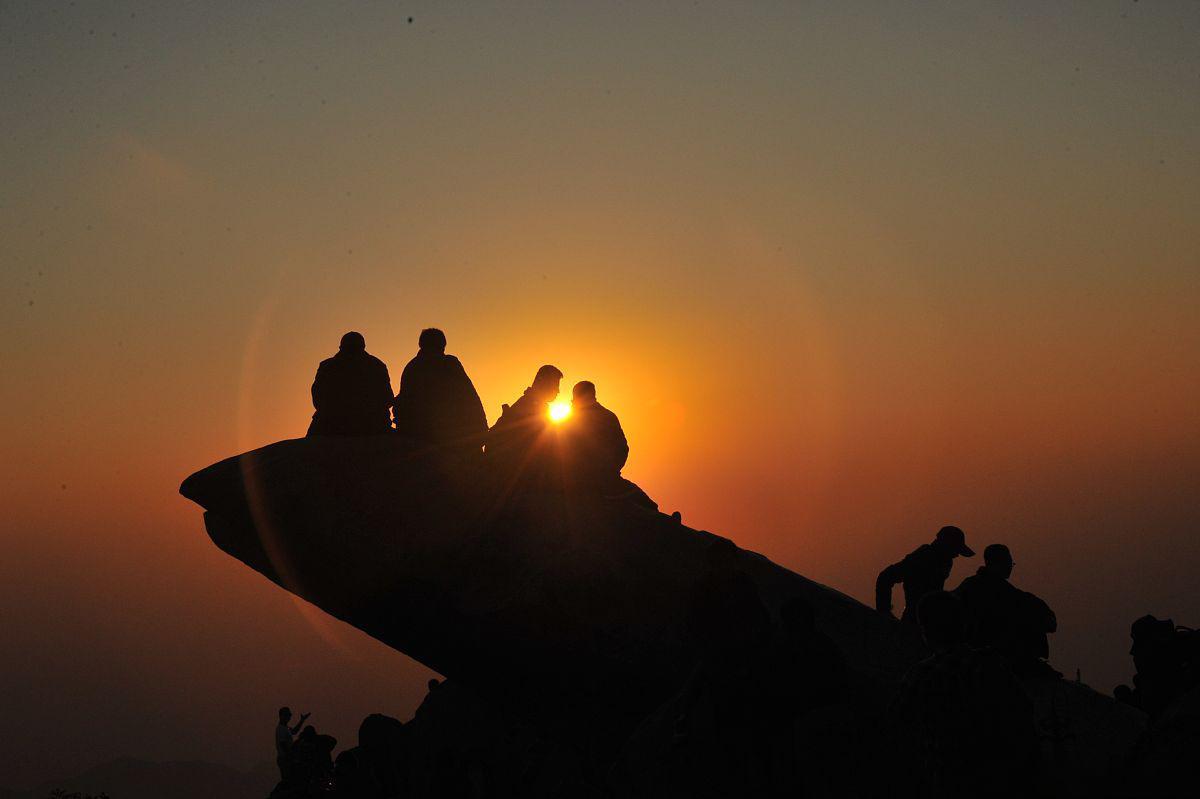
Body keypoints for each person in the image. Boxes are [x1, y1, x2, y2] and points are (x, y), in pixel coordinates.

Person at [891, 591, 1039, 797]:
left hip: (946, 781)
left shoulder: (919, 676)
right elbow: (1023, 713)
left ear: (925, 632)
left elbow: (897, 726)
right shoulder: (990, 667)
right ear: (963, 626)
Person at [954, 544, 1058, 674]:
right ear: (999, 563)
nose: (1010, 567)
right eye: (1009, 563)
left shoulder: (968, 586)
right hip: (996, 657)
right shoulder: (1009, 596)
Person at [392, 328, 488, 454]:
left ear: (421, 345)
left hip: (423, 435)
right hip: (451, 437)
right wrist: (480, 429)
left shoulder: (412, 367)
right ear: (442, 345)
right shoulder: (449, 364)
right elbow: (470, 397)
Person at [876, 525, 975, 622]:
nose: (956, 555)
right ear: (945, 545)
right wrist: (884, 612)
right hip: (914, 621)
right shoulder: (922, 557)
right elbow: (885, 577)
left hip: (930, 620)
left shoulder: (945, 561)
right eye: (955, 550)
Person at [306, 331, 394, 436]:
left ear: (341, 348)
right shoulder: (377, 366)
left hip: (332, 425)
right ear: (363, 347)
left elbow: (318, 399)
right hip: (371, 425)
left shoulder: (327, 366)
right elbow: (388, 399)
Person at [486, 365, 563, 476]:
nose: (558, 391)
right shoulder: (529, 408)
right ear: (544, 383)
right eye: (555, 385)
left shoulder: (534, 406)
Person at [561, 381, 628, 484]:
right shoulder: (609, 416)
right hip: (603, 478)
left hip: (586, 480)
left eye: (574, 399)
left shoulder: (570, 421)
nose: (572, 402)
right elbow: (623, 449)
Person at [274, 706, 310, 781]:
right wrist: (291, 756)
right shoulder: (281, 729)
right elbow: (283, 744)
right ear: (281, 716)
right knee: (288, 779)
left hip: (287, 757)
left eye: (289, 715)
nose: (289, 717)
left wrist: (302, 720)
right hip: (284, 758)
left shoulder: (285, 728)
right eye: (287, 715)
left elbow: (294, 731)